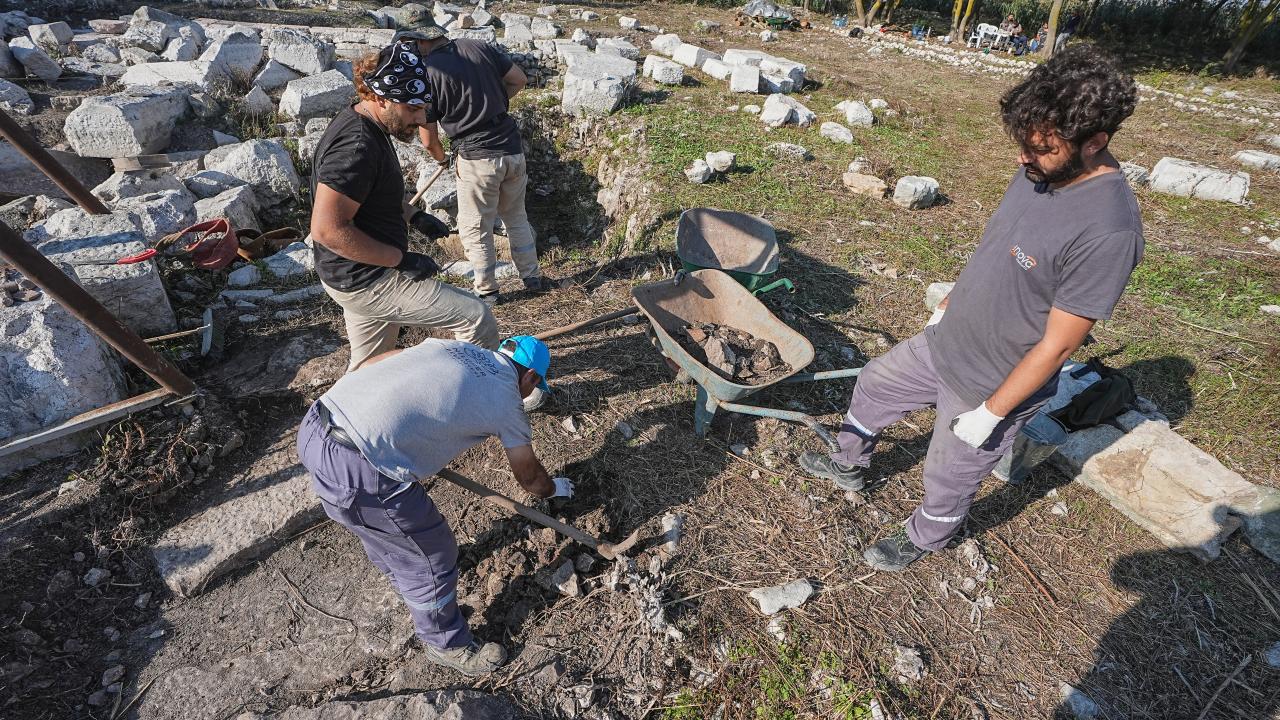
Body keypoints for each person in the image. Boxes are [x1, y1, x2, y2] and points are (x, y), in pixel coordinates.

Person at [797, 45, 1144, 572]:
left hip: (990, 381)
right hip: (946, 340)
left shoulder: (1108, 231)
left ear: (1095, 142)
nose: (1023, 158)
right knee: (873, 385)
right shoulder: (1041, 170)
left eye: (1041, 148)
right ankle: (848, 463)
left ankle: (928, 535)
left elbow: (1059, 346)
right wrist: (951, 302)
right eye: (1023, 144)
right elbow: (999, 244)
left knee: (948, 473)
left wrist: (991, 414)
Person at [296, 335, 573, 675]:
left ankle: (414, 590)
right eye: (534, 386)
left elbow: (373, 362)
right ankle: (445, 643)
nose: (530, 393)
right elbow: (530, 478)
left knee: (385, 531)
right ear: (530, 376)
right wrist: (552, 489)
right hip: (358, 469)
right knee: (433, 555)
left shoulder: (453, 347)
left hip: (317, 423)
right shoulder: (507, 401)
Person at [310, 41, 499, 372]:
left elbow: (367, 196)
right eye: (412, 109)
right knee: (475, 317)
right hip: (367, 277)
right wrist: (400, 260)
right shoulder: (356, 147)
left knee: (370, 369)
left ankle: (349, 406)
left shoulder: (365, 123)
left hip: (351, 273)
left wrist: (414, 215)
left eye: (424, 108)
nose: (421, 118)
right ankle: (482, 390)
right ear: (381, 98)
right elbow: (327, 229)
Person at [399, 13, 546, 307]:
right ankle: (532, 278)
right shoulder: (476, 46)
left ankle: (487, 291)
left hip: (477, 157)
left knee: (475, 227)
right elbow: (518, 79)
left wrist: (441, 158)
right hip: (512, 149)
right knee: (516, 216)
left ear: (420, 41)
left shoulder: (427, 73)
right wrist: (497, 103)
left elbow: (428, 140)